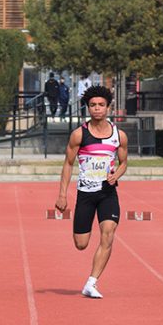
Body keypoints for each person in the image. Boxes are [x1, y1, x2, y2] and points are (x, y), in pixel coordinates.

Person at [55, 85, 128, 298]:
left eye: (101, 105)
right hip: (85, 194)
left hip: (108, 193)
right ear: (88, 108)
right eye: (93, 105)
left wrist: (117, 174)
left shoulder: (118, 135)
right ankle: (90, 278)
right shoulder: (79, 134)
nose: (97, 109)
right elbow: (68, 164)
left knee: (108, 234)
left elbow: (124, 162)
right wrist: (62, 194)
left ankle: (91, 282)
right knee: (81, 244)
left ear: (108, 108)